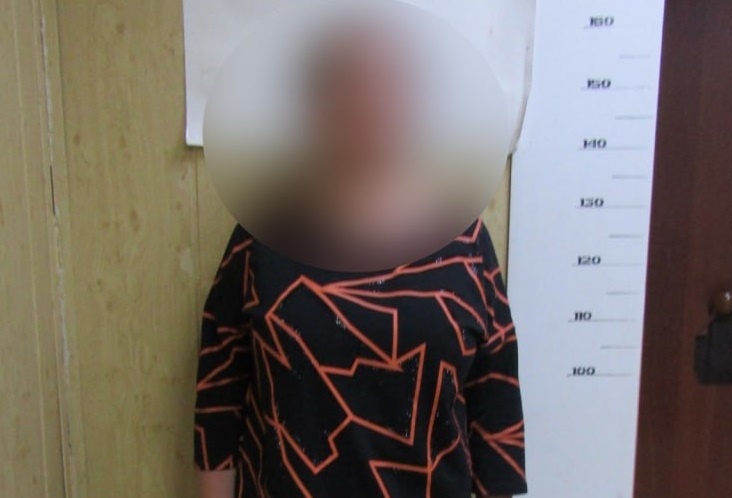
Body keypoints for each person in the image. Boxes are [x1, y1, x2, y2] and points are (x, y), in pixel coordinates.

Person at [194, 19, 526, 498]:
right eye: (349, 84)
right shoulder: (265, 230)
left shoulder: (464, 238)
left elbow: (497, 408)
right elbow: (218, 396)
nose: (370, 103)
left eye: (389, 83)